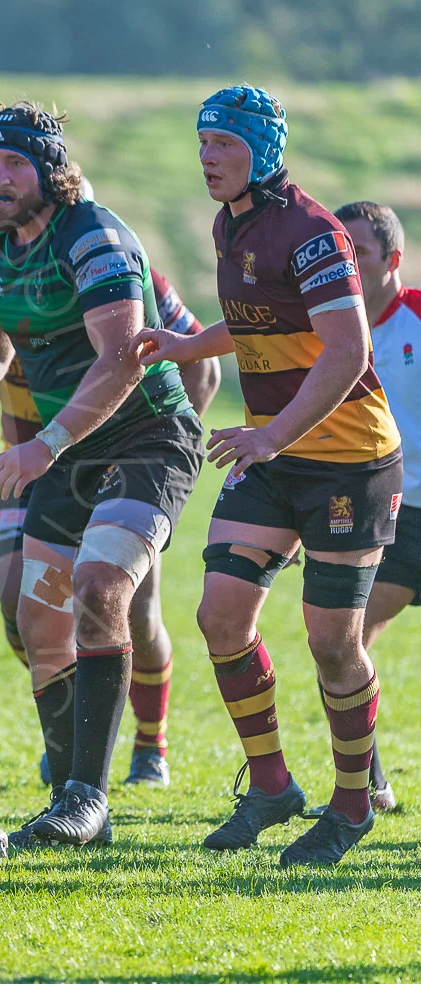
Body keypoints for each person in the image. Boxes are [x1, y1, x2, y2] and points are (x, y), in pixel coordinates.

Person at [135, 86, 402, 866]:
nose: (207, 157)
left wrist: (269, 435)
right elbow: (267, 318)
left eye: (224, 144)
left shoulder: (314, 233)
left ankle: (351, 806)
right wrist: (193, 347)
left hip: (349, 464)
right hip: (275, 454)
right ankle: (273, 786)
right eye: (202, 143)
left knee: (331, 643)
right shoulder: (233, 223)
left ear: (264, 148)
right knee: (221, 616)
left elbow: (348, 351)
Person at [0, 101, 204, 847]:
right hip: (70, 450)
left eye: (13, 164)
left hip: (148, 439)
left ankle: (89, 795)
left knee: (99, 590)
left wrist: (42, 445)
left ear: (50, 173)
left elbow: (124, 359)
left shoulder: (93, 235)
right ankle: (70, 798)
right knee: (38, 625)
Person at [0, 239, 221, 787]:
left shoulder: (128, 277)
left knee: (129, 612)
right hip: (26, 463)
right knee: (21, 610)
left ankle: (149, 740)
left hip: (120, 459)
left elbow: (203, 370)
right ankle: (74, 737)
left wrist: (157, 465)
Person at [332, 200, 413, 813]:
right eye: (341, 255)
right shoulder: (328, 330)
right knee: (341, 641)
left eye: (358, 254)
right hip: (391, 514)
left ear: (394, 259)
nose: (349, 267)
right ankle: (369, 787)